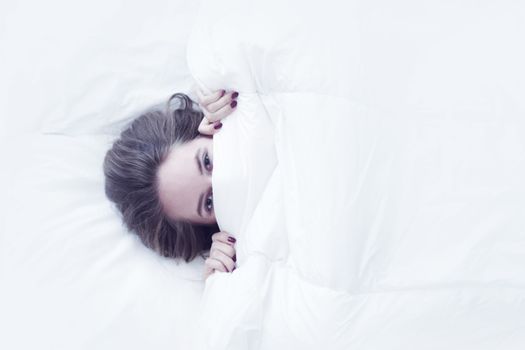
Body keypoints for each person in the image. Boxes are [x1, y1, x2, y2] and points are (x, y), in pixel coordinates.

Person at [103, 89, 239, 280]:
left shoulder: (234, 111)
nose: (223, 181)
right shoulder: (239, 247)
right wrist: (227, 275)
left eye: (207, 162)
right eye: (209, 202)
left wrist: (234, 103)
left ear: (204, 130)